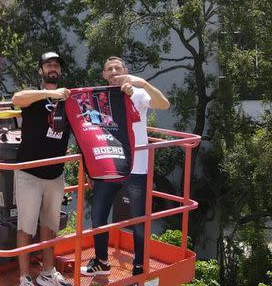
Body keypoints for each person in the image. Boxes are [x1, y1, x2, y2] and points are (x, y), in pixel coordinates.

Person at [80, 56, 170, 278]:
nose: (113, 72)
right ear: (103, 75)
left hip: (135, 168)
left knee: (139, 220)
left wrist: (142, 83)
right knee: (98, 217)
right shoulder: (97, 98)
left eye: (117, 68)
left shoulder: (136, 94)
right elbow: (89, 134)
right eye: (109, 69)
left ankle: (139, 266)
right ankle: (101, 262)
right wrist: (88, 168)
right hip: (107, 166)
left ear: (125, 71)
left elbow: (164, 104)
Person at [10, 52, 72, 286]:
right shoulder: (35, 96)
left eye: (56, 65)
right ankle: (24, 278)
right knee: (26, 227)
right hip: (30, 173)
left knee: (50, 226)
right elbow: (17, 99)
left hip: (55, 173)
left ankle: (48, 272)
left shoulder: (67, 100)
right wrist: (49, 93)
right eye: (48, 65)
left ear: (61, 71)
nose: (52, 68)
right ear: (41, 70)